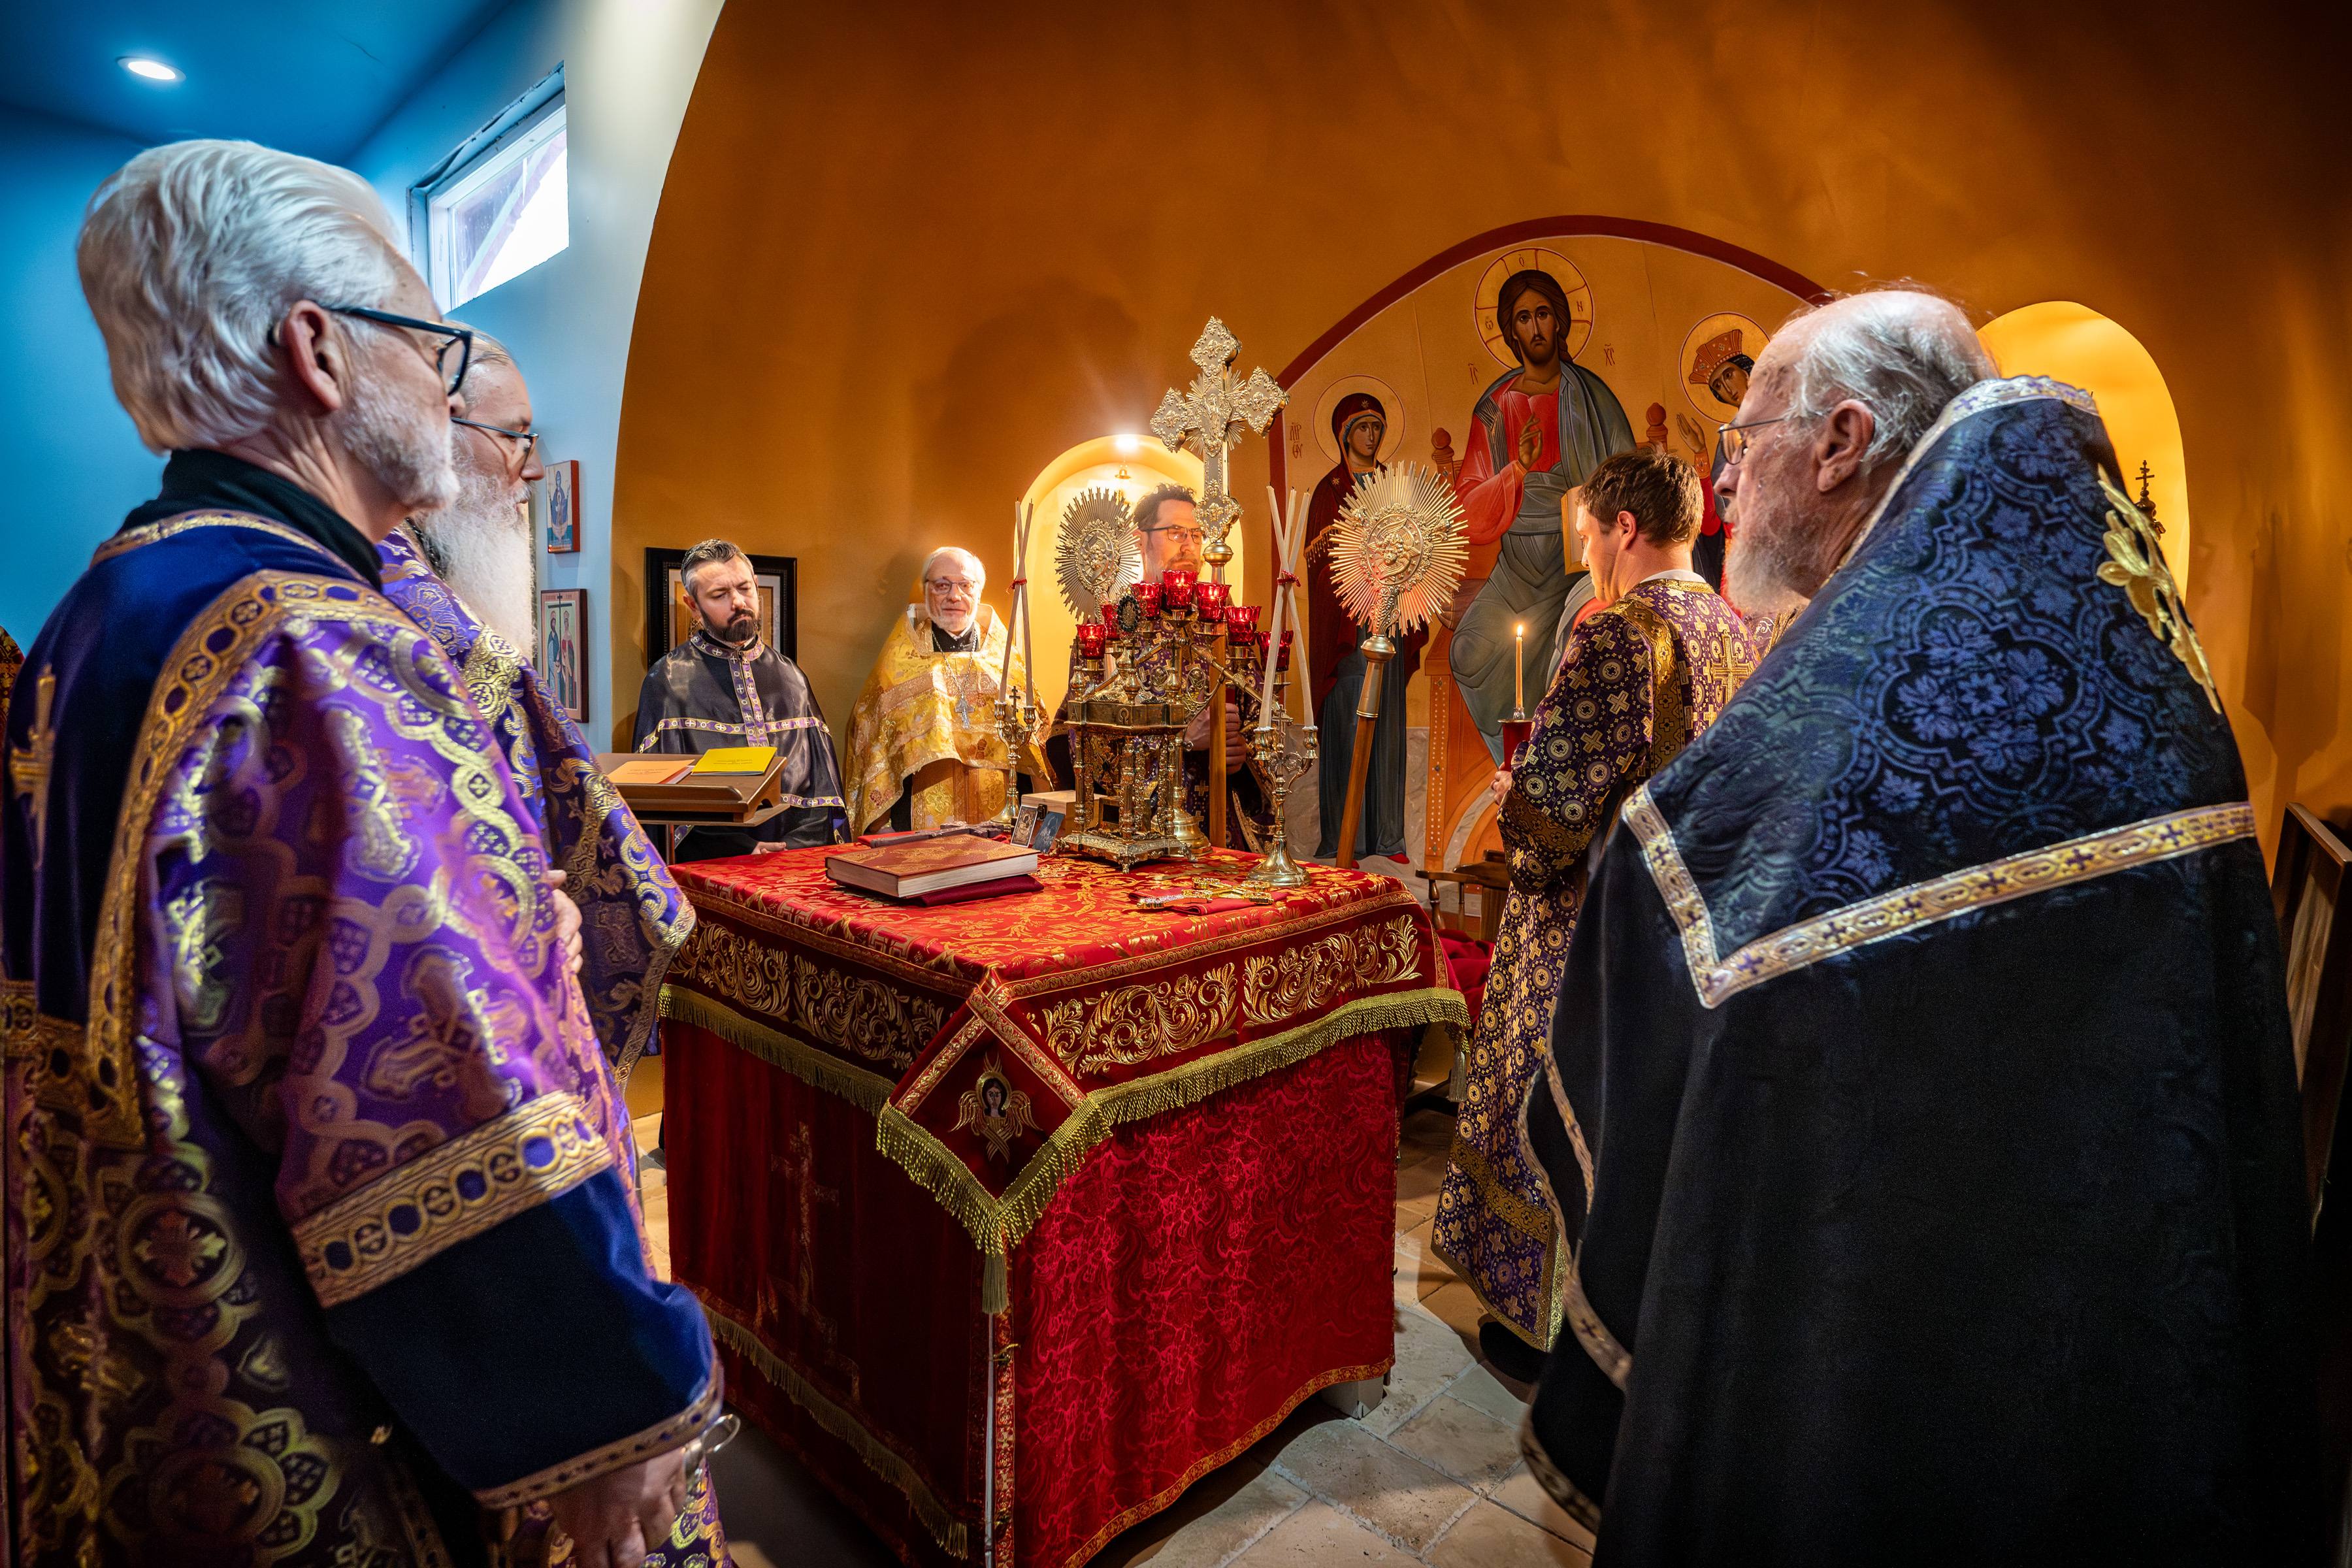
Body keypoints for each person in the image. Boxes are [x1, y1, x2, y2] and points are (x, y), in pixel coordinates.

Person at [5, 139, 721, 1567]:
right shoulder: (310, 638)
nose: (448, 396)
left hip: (132, 1346)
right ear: (320, 351)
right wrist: (603, 1397)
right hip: (319, 1389)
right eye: (431, 345)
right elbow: (442, 1099)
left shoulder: (109, 603)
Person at [1519, 290, 2316, 1560]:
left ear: (1839, 442)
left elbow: (1690, 871)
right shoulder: (2098, 632)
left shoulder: (1912, 660)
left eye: (1746, 438)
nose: (1727, 480)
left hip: (1869, 1360)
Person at [1429, 446, 1754, 1384]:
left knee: (1549, 1109)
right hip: (1685, 932)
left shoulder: (1625, 633)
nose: (1587, 558)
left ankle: (1544, 1331)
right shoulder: (1733, 630)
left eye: (1589, 537)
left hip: (1590, 930)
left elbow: (1552, 810)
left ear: (1623, 528)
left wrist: (1517, 793)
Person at [1448, 269, 1637, 760]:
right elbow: (1467, 507)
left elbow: (1632, 485)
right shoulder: (1493, 407)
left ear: (1560, 323)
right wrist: (1518, 469)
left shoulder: (1595, 400)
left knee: (1574, 656)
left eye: (1544, 315)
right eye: (1523, 318)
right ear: (1510, 332)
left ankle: (1561, 771)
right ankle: (1516, 763)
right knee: (1467, 652)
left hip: (1580, 566)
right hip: (1516, 574)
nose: (1535, 328)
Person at [1054, 485, 1269, 849]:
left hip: (1223, 827)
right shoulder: (1115, 621)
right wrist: (1183, 737)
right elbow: (1080, 736)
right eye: (1175, 533)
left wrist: (1243, 752)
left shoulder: (1225, 619)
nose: (1188, 545)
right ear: (1141, 540)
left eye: (1197, 534)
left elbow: (1260, 715)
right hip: (1141, 827)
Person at [634, 537, 849, 859]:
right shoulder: (667, 681)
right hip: (713, 865)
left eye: (745, 588)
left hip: (795, 861)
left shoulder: (791, 677)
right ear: (692, 605)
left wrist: (794, 846)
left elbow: (823, 790)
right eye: (720, 595)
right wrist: (742, 847)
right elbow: (660, 806)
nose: (738, 602)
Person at [843, 546, 1049, 834]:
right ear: (925, 590)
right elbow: (873, 742)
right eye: (942, 585)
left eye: (965, 585)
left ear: (978, 592)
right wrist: (882, 829)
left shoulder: (1007, 665)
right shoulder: (897, 665)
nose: (955, 596)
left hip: (1000, 827)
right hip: (916, 830)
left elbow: (1033, 748)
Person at [1304, 393, 1424, 860]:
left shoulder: (1394, 486)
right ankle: (1343, 840)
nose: (1371, 436)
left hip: (1389, 618)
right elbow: (1318, 566)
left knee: (1389, 727)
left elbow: (1419, 545)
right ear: (1344, 434)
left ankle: (1389, 838)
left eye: (1377, 426)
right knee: (1348, 725)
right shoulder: (1329, 491)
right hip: (1347, 629)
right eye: (1363, 427)